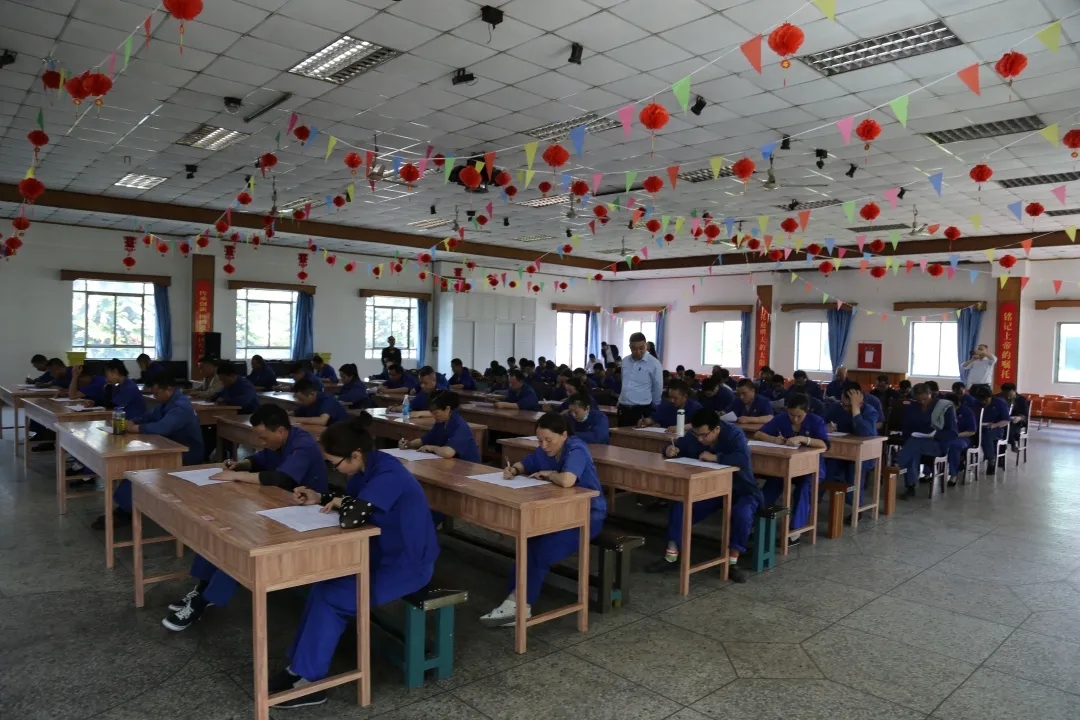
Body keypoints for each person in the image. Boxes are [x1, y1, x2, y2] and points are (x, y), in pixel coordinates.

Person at [271, 414, 439, 707]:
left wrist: (338, 502)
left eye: (334, 463)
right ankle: (298, 668)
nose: (333, 469)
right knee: (323, 585)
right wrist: (320, 497)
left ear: (356, 454)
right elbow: (354, 504)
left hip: (407, 565)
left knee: (334, 598)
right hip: (378, 553)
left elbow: (351, 516)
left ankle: (311, 682)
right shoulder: (365, 468)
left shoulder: (389, 473)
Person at [162, 405, 329, 632]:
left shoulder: (303, 445)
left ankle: (205, 600)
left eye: (264, 437)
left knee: (241, 546)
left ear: (280, 431)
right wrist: (241, 464)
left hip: (305, 515)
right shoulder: (278, 441)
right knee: (220, 529)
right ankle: (201, 587)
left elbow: (281, 478)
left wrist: (237, 475)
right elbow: (260, 459)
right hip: (279, 505)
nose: (262, 442)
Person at [484, 413, 605, 626]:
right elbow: (528, 462)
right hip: (557, 512)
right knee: (528, 541)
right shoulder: (545, 449)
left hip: (586, 516)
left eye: (549, 440)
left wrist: (549, 474)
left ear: (564, 435)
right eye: (540, 440)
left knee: (541, 550)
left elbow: (567, 480)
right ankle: (515, 598)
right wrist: (514, 469)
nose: (544, 445)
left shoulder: (576, 449)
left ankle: (520, 604)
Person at [650, 408, 760, 582]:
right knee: (682, 507)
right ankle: (671, 556)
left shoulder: (734, 434)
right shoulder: (694, 435)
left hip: (741, 489)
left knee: (742, 514)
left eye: (704, 435)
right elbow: (677, 446)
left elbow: (742, 459)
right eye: (697, 435)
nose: (700, 439)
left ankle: (732, 562)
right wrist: (668, 449)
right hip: (712, 489)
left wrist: (716, 458)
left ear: (716, 429)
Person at [95, 375, 204, 531]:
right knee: (135, 465)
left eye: (157, 393)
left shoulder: (181, 406)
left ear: (168, 389)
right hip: (166, 447)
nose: (154, 396)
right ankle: (127, 507)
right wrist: (133, 421)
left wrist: (135, 428)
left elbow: (162, 427)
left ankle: (125, 511)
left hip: (186, 452)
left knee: (140, 470)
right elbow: (149, 415)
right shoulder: (166, 402)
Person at [755, 394, 829, 545]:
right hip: (786, 466)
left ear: (807, 411)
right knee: (772, 484)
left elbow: (824, 445)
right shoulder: (781, 418)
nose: (794, 419)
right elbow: (758, 434)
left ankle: (795, 531)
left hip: (811, 468)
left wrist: (804, 439)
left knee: (804, 488)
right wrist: (773, 439)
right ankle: (755, 523)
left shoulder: (816, 421)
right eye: (791, 415)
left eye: (799, 416)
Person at [896, 383, 957, 499]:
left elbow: (952, 433)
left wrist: (935, 435)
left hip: (937, 443)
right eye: (919, 400)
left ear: (930, 394)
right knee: (913, 448)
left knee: (913, 446)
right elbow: (906, 428)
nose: (922, 402)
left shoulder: (944, 407)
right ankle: (910, 485)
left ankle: (899, 463)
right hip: (916, 442)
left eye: (925, 399)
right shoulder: (912, 408)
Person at [823, 383, 879, 494]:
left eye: (848, 406)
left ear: (860, 400)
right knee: (826, 468)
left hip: (864, 454)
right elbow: (820, 424)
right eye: (843, 404)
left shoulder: (870, 411)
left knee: (854, 473)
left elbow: (862, 432)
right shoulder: (836, 408)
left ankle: (854, 503)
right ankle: (815, 501)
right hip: (839, 452)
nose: (845, 408)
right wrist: (825, 428)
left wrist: (855, 409)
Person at [399, 391, 480, 462]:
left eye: (436, 413)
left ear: (447, 409)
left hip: (467, 466)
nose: (433, 416)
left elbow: (448, 453)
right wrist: (408, 444)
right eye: (432, 413)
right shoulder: (441, 422)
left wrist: (432, 448)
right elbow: (425, 440)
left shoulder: (459, 425)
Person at [616, 332, 663, 427]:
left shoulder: (654, 363)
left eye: (641, 348)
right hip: (623, 409)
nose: (638, 352)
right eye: (634, 348)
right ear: (630, 347)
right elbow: (624, 383)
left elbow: (657, 388)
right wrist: (620, 399)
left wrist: (653, 408)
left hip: (642, 410)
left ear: (646, 346)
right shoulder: (625, 361)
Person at [971, 385, 1011, 474]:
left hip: (996, 428)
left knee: (987, 434)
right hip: (978, 427)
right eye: (981, 399)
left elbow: (1006, 420)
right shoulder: (975, 404)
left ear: (990, 397)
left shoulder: (1000, 403)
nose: (983, 402)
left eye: (985, 399)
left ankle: (991, 459)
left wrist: (995, 425)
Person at [946, 392, 978, 486]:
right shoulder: (942, 411)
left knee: (954, 446)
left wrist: (956, 435)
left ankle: (953, 475)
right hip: (946, 436)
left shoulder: (966, 412)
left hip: (963, 437)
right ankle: (927, 473)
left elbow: (972, 431)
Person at [998, 382, 1030, 451]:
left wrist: (1019, 418)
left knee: (1005, 430)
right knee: (1000, 430)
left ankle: (1002, 452)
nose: (1006, 395)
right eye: (1004, 393)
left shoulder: (1021, 400)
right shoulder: (998, 397)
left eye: (1008, 393)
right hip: (1000, 422)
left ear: (1014, 391)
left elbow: (1025, 415)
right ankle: (1012, 444)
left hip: (1015, 423)